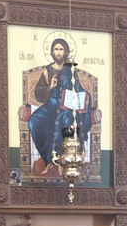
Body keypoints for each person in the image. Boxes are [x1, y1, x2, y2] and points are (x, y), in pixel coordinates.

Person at [27, 38, 93, 175]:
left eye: (61, 49)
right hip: (51, 105)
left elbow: (77, 88)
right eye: (56, 49)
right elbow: (38, 92)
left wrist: (85, 96)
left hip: (66, 107)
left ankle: (68, 160)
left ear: (65, 52)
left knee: (68, 121)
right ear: (52, 52)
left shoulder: (70, 69)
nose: (58, 52)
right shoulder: (48, 70)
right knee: (34, 121)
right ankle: (48, 159)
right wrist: (50, 87)